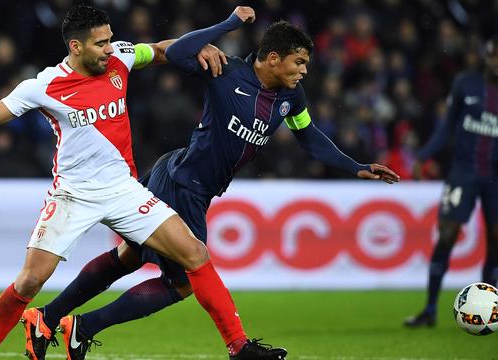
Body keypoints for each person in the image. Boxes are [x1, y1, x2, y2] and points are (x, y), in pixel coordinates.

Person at [0, 5, 285, 360]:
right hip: (73, 194)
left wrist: (197, 44)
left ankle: (238, 348)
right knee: (30, 281)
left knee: (194, 254)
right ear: (76, 47)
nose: (110, 48)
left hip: (124, 190)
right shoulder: (42, 86)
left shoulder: (120, 60)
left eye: (110, 40)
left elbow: (161, 51)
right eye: (100, 44)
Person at [23, 6, 400, 360]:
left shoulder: (289, 97)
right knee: (183, 282)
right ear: (273, 58)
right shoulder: (227, 72)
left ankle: (48, 317)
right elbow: (180, 52)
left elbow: (309, 136)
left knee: (130, 257)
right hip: (185, 183)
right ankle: (87, 327)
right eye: (299, 62)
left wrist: (356, 167)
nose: (304, 71)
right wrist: (228, 23)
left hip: (184, 179)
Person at [404, 36, 498, 328]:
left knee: (496, 242)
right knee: (446, 236)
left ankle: (488, 308)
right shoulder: (465, 83)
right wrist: (424, 155)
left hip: (495, 177)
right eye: (495, 56)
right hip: (463, 172)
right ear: (487, 56)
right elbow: (446, 127)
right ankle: (430, 309)